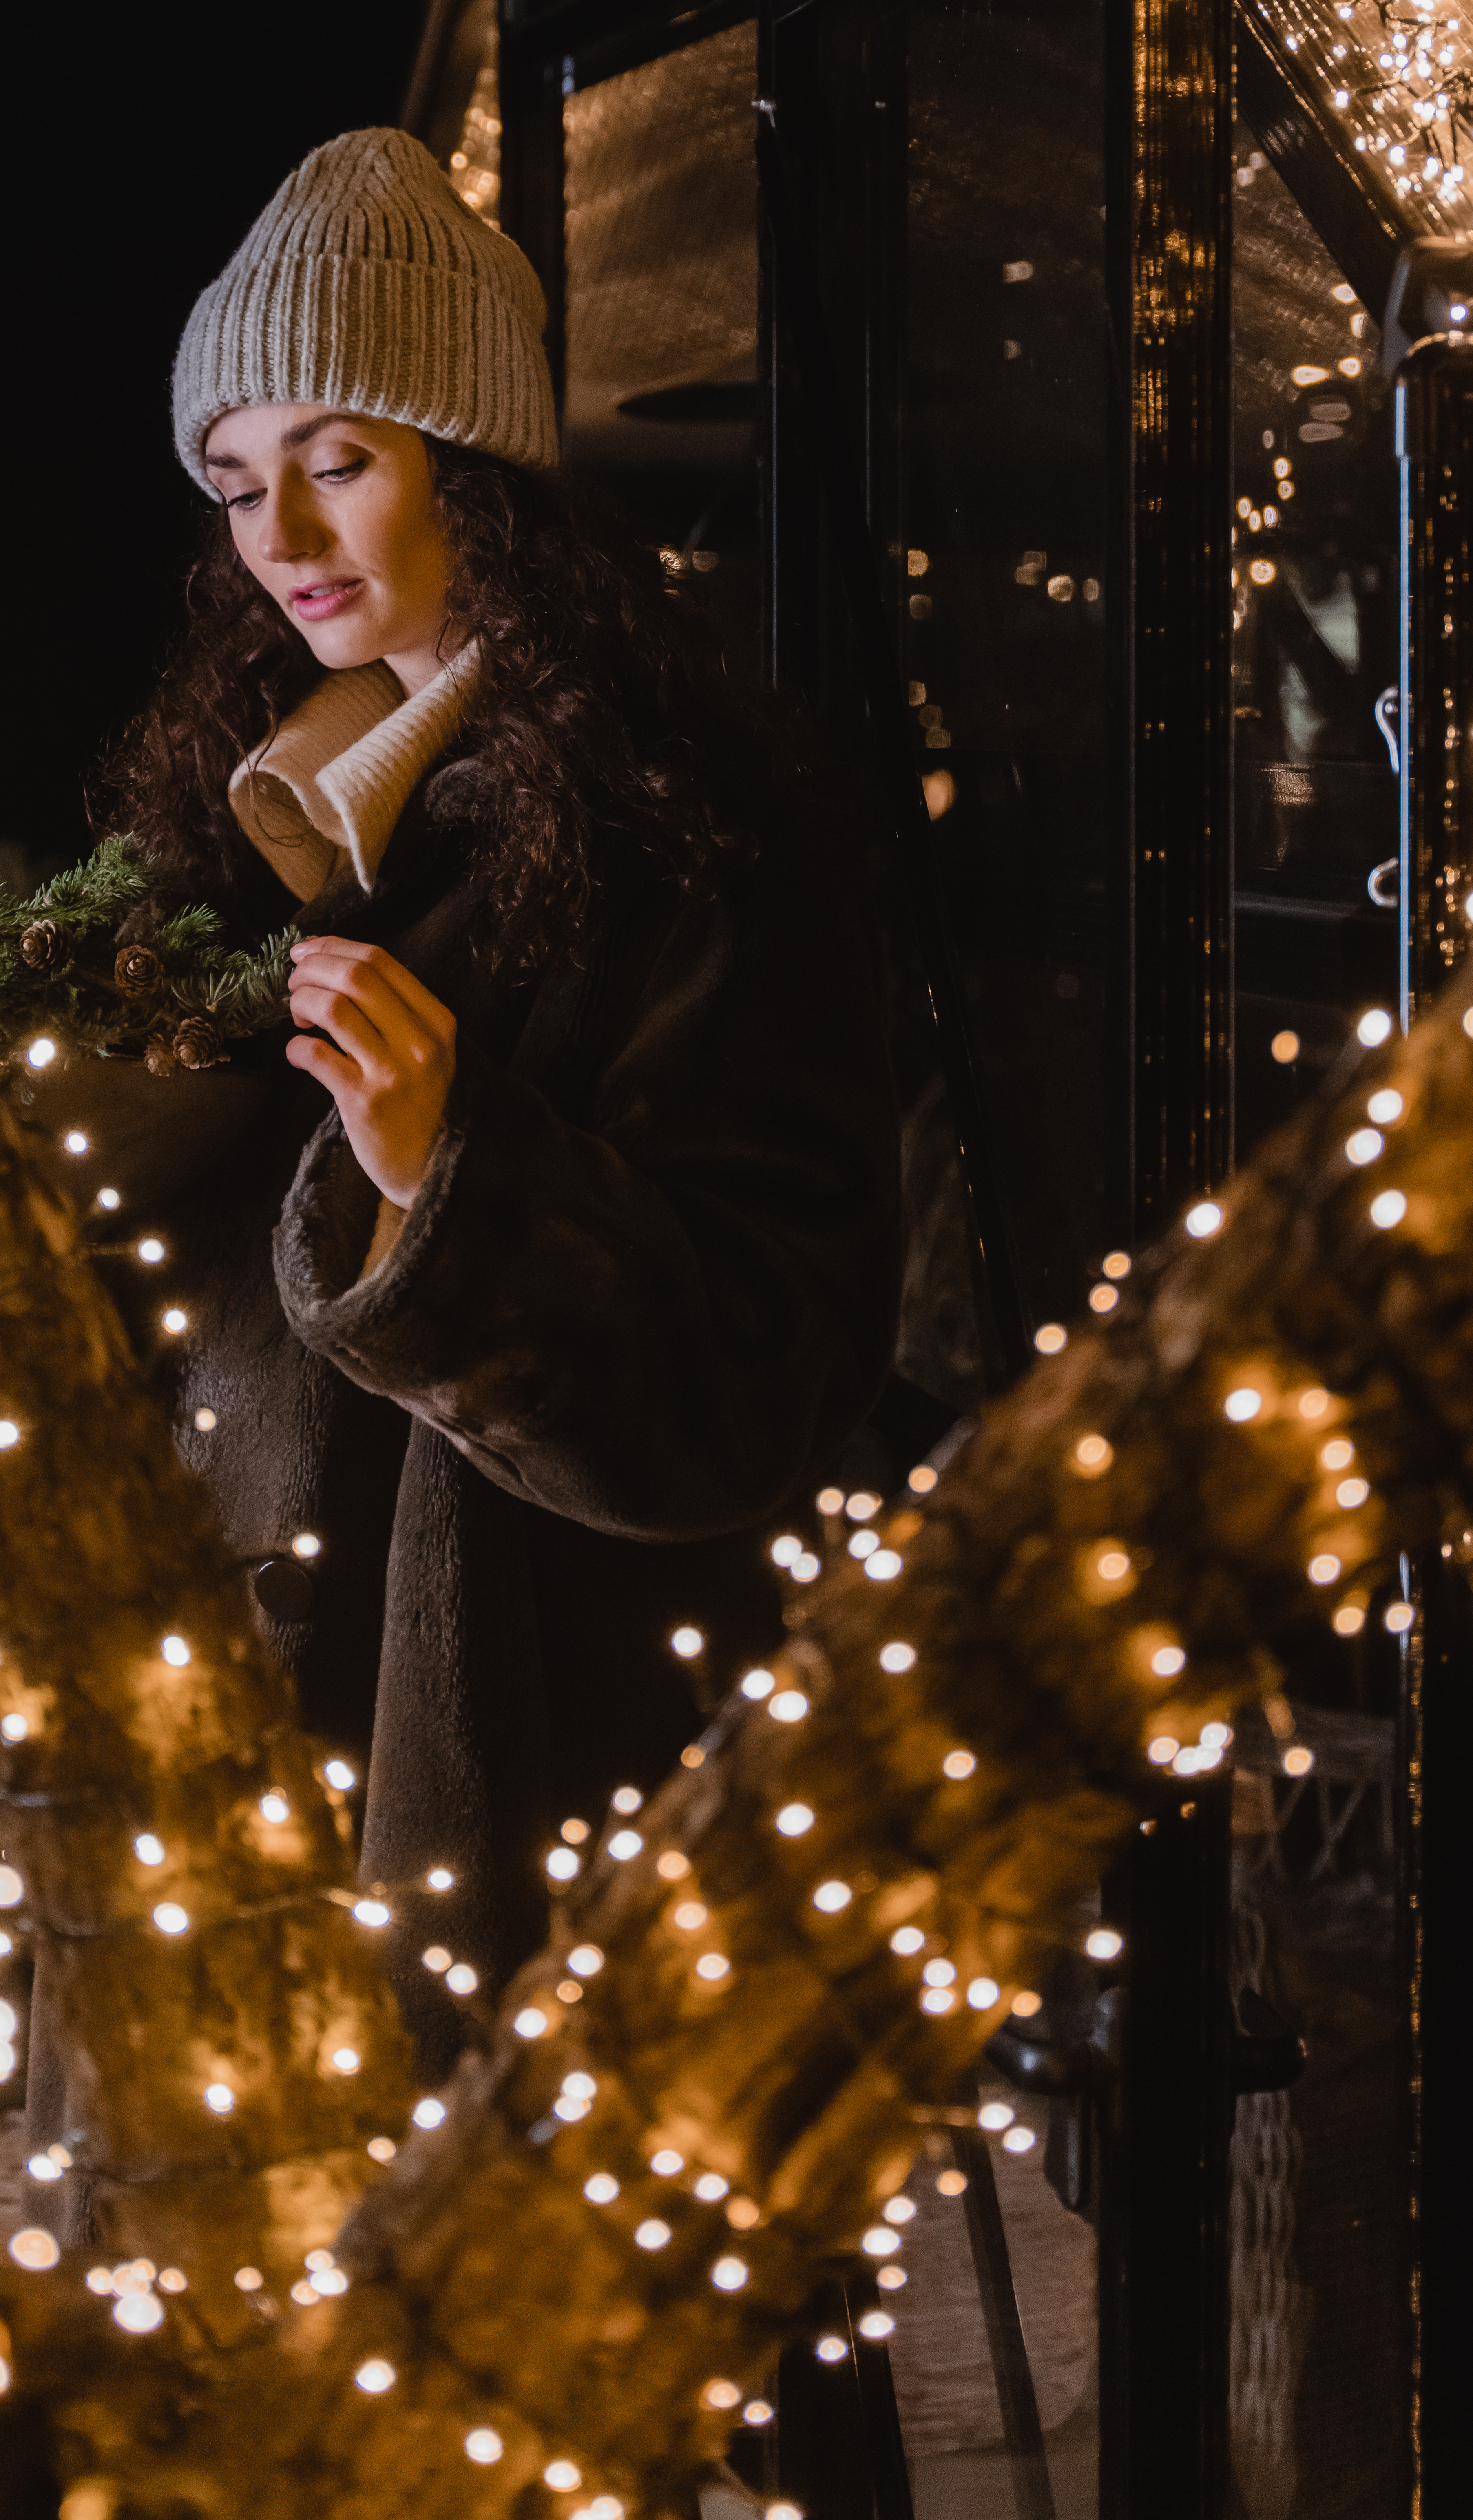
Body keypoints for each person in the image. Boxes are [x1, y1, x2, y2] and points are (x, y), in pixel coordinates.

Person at [56, 125, 902, 2065]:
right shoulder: (233, 833)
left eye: (337, 457)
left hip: (532, 1781)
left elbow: (764, 1374)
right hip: (221, 1769)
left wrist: (462, 1185)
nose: (277, 531)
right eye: (234, 477)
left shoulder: (689, 830)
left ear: (481, 469)